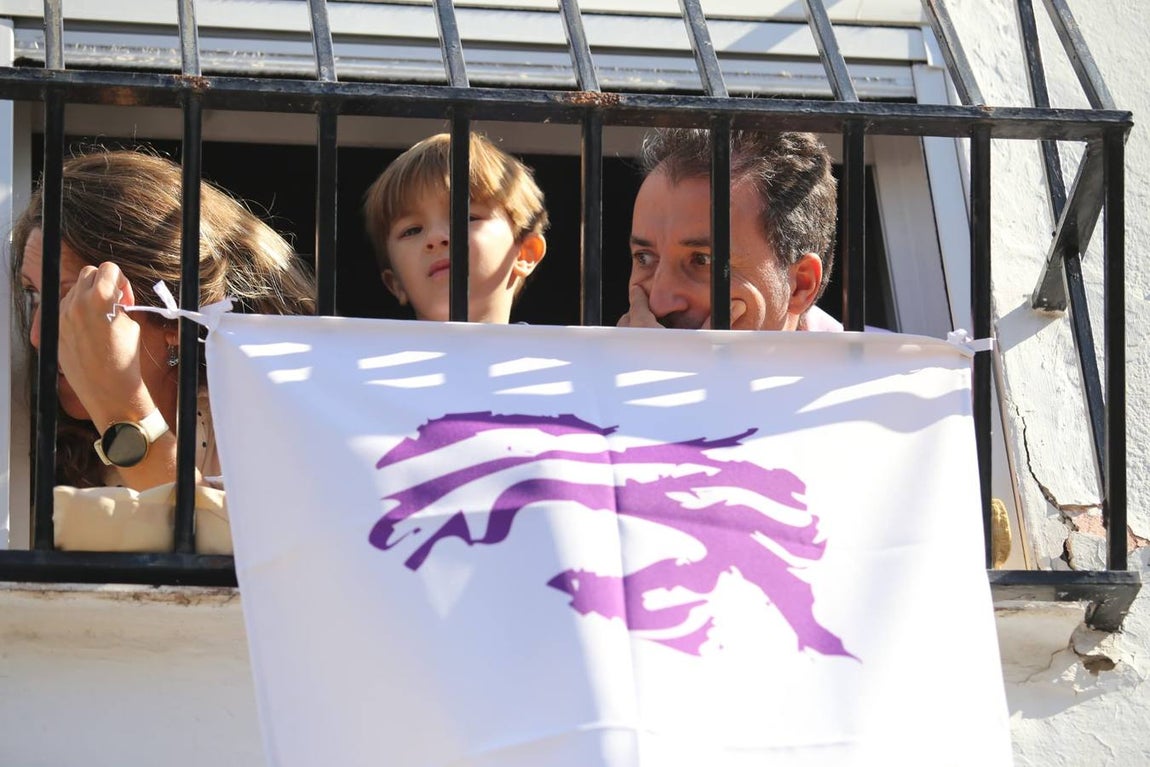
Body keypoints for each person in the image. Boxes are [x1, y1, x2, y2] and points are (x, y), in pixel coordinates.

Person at [11, 148, 316, 551]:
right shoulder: (26, 445)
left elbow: (247, 570)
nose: (37, 336)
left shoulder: (262, 425)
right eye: (34, 296)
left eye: (75, 301)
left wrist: (122, 409)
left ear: (174, 320)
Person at [617, 128, 840, 332]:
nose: (659, 302)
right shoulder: (593, 370)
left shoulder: (873, 372)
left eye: (702, 260)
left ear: (801, 285)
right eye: (644, 258)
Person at [363, 132, 548, 324]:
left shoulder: (554, 353)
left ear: (525, 253)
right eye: (412, 230)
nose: (435, 238)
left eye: (467, 218)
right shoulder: (363, 352)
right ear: (396, 284)